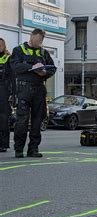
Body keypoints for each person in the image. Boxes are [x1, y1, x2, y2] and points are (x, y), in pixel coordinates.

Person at [10, 28, 56, 158]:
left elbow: (52, 68)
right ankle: (19, 149)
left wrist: (45, 73)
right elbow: (15, 67)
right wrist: (31, 68)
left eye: (41, 40)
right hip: (24, 89)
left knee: (37, 120)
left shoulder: (43, 52)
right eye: (38, 39)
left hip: (39, 89)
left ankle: (33, 149)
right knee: (22, 120)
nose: (39, 42)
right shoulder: (19, 50)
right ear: (31, 37)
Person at [0, 38, 16, 152]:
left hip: (4, 91)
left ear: (4, 46)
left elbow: (13, 77)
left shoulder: (8, 58)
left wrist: (14, 94)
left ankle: (3, 144)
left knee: (3, 119)